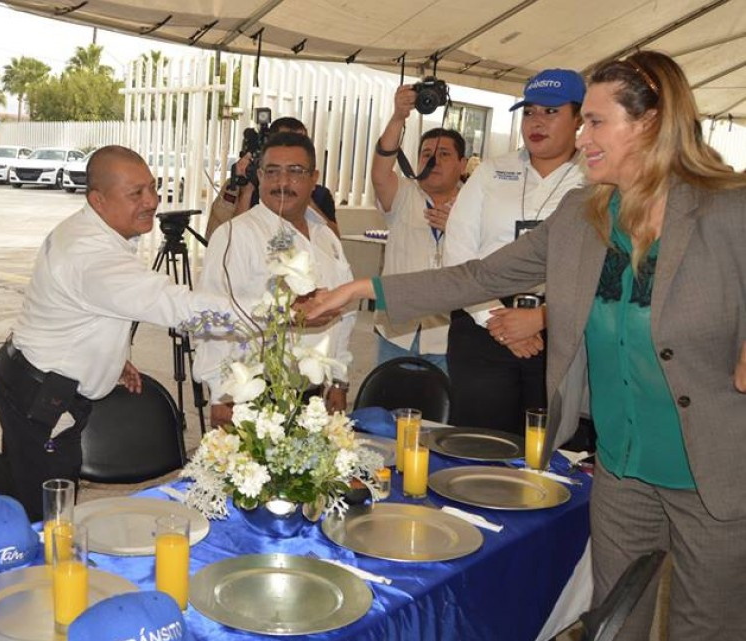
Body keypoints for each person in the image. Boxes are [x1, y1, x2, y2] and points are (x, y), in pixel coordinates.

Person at [303, 51, 746, 640]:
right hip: (622, 474)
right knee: (614, 624)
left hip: (713, 472)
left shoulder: (726, 210)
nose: (581, 136)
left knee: (708, 628)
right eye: (582, 120)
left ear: (649, 123)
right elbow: (479, 276)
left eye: (594, 122)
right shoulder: (581, 215)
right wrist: (363, 287)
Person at [0, 145, 230, 520]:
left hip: (32, 372)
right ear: (98, 200)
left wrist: (113, 358)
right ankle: (39, 573)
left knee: (38, 491)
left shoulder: (90, 230)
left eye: (153, 187)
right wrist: (270, 315)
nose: (151, 201)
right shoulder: (91, 255)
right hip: (44, 395)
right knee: (48, 510)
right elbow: (178, 307)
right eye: (136, 194)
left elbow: (87, 309)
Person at [442, 68, 586, 434]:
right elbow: (458, 250)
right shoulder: (492, 172)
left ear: (579, 118)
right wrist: (496, 320)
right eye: (530, 112)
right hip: (483, 321)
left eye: (551, 112)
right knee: (479, 445)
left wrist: (542, 317)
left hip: (560, 327)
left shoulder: (595, 180)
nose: (536, 122)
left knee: (547, 450)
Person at [195, 132, 356, 426]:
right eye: (272, 172)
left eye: (295, 172)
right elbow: (212, 316)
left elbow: (345, 312)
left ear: (314, 178)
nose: (282, 183)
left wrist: (340, 379)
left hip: (316, 397)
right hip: (253, 398)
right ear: (259, 176)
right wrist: (220, 395)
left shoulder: (325, 237)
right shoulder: (236, 235)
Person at [371, 83, 469, 374]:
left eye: (444, 155)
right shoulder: (402, 193)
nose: (433, 160)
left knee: (444, 416)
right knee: (389, 414)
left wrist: (460, 229)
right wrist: (398, 117)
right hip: (397, 331)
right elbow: (379, 173)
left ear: (463, 164)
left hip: (451, 335)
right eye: (426, 153)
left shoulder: (477, 204)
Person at [207, 116, 339, 238]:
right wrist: (247, 191)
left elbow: (333, 241)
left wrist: (305, 196)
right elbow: (225, 241)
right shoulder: (239, 187)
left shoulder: (320, 195)